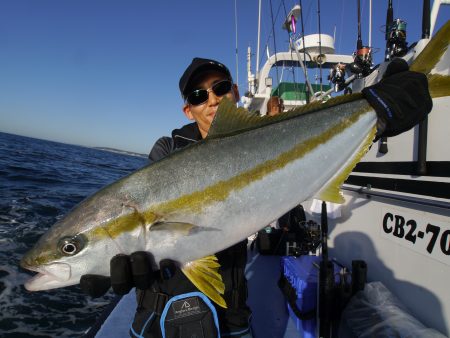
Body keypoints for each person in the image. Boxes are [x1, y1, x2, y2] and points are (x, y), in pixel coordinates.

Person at [80, 56, 432, 338]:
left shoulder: (270, 136)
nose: (212, 99)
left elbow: (307, 160)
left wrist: (375, 114)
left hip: (233, 310)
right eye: (199, 96)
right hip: (161, 313)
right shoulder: (168, 150)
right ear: (188, 110)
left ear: (233, 92)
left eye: (219, 88)